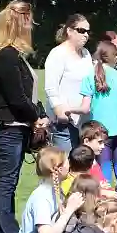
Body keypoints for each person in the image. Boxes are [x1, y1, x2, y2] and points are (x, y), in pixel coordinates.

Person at [0, 0, 48, 233]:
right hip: (9, 126)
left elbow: (25, 95)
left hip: (17, 125)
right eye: (28, 23)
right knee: (6, 183)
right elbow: (17, 98)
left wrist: (38, 113)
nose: (30, 28)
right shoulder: (6, 56)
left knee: (9, 182)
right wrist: (36, 118)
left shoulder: (12, 55)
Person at [74, 40, 117, 204]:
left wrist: (69, 110)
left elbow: (85, 108)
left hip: (101, 134)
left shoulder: (90, 77)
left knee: (104, 176)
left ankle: (107, 214)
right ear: (113, 57)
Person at [15, 147, 81, 233]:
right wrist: (69, 210)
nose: (69, 163)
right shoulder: (42, 197)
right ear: (58, 168)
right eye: (66, 160)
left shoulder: (52, 188)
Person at [44, 14, 94, 153]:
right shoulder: (58, 54)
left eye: (88, 32)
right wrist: (59, 111)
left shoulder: (86, 54)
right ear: (69, 31)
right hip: (64, 123)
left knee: (82, 167)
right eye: (81, 31)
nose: (86, 35)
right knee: (64, 166)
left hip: (84, 122)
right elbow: (50, 87)